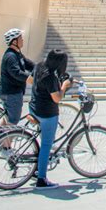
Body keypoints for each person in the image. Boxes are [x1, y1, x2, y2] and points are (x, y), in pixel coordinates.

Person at [29, 49, 72, 189]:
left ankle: (38, 168)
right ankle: (41, 179)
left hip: (34, 108)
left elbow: (32, 81)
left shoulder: (39, 66)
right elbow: (57, 98)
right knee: (46, 145)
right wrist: (64, 86)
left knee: (43, 143)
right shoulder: (51, 77)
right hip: (47, 113)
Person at [0, 28, 35, 125]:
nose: (22, 40)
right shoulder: (10, 56)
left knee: (8, 118)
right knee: (13, 121)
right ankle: (6, 140)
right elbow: (16, 72)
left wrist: (41, 69)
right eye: (20, 38)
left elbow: (29, 64)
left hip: (11, 91)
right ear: (14, 41)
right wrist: (30, 79)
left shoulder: (17, 54)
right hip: (11, 93)